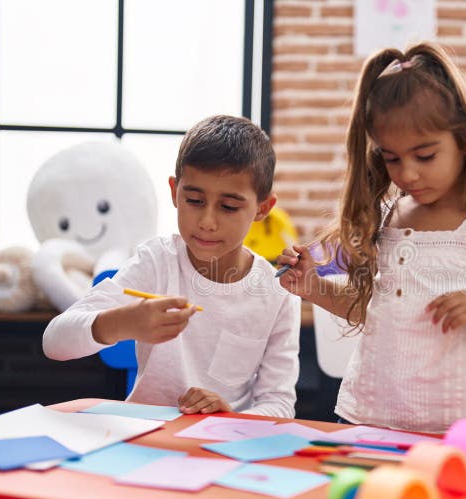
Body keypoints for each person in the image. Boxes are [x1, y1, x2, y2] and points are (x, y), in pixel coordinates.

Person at [277, 42, 466, 434]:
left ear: (463, 140)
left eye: (424, 156)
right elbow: (377, 312)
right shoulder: (391, 216)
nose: (407, 174)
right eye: (391, 158)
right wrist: (312, 286)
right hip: (376, 417)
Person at [43, 115, 300, 418]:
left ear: (262, 209)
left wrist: (230, 415)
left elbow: (280, 405)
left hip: (224, 445)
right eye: (194, 200)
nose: (207, 222)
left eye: (229, 207)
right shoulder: (157, 261)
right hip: (145, 437)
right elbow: (54, 342)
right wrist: (122, 323)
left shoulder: (278, 293)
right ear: (174, 192)